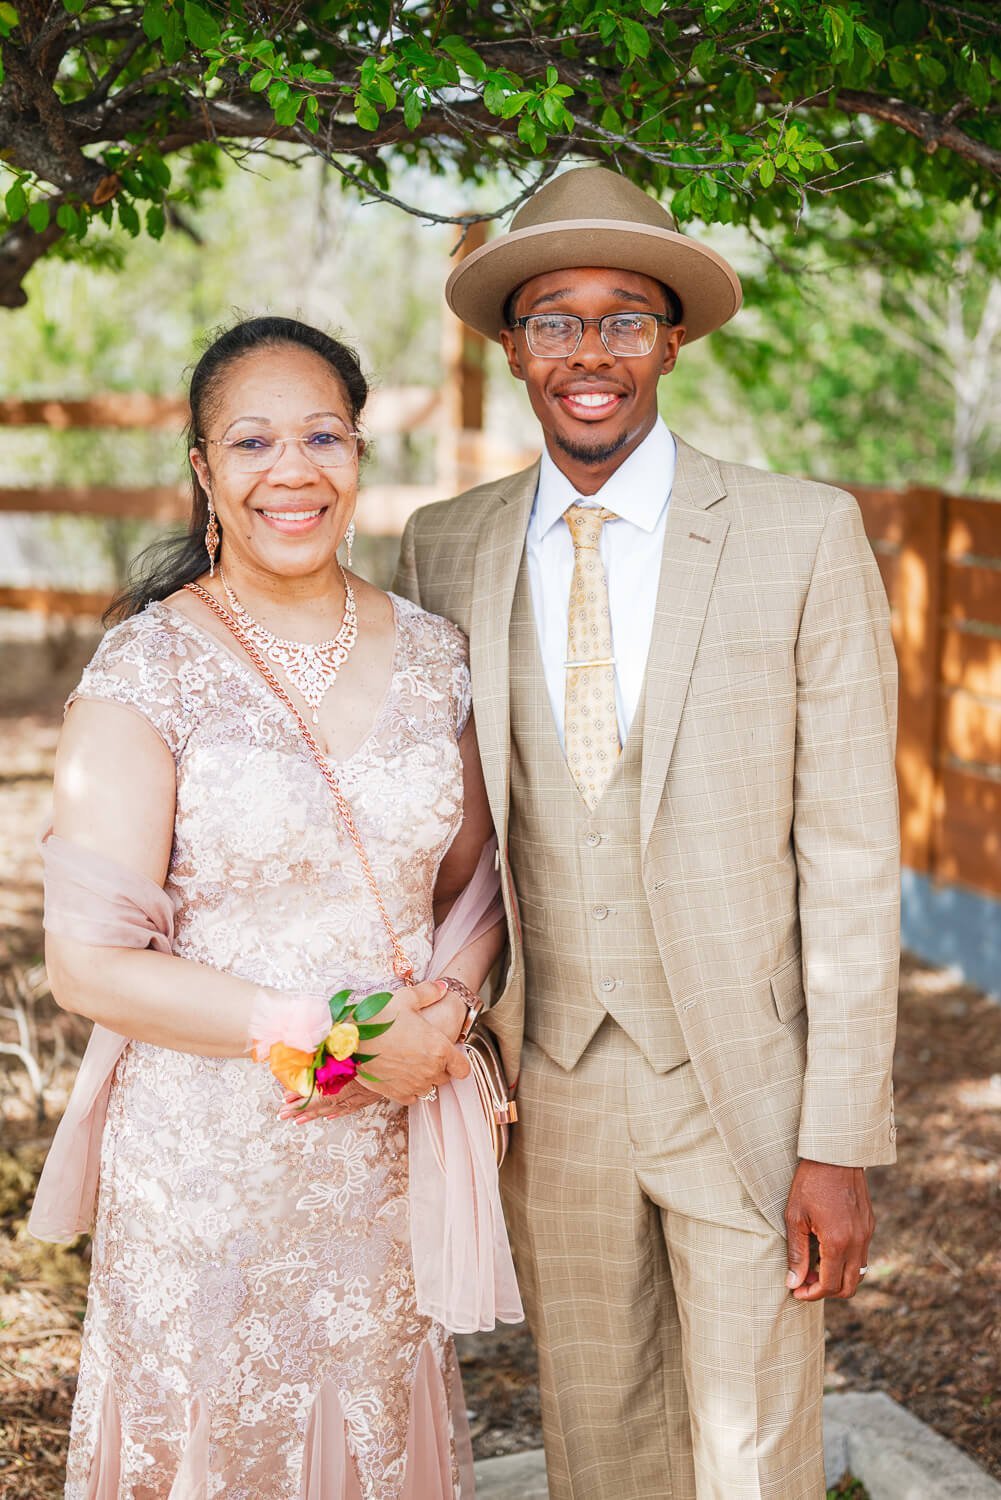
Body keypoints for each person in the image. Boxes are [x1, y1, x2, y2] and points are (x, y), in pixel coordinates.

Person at [394, 166, 900, 1499]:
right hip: (546, 1079)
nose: (591, 352)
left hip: (745, 1084)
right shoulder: (442, 549)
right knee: (597, 1444)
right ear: (514, 346)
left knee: (754, 1451)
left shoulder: (800, 535)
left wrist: (838, 1137)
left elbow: (849, 856)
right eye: (555, 319)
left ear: (672, 338)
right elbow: (433, 826)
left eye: (626, 318)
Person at [32, 316, 511, 1498]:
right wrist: (338, 1037)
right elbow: (88, 965)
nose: (288, 470)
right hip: (211, 1160)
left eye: (321, 436)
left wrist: (445, 1011)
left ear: (357, 455)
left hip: (379, 1165)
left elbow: (479, 889)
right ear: (202, 469)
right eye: (250, 442)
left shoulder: (439, 657)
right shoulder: (149, 670)